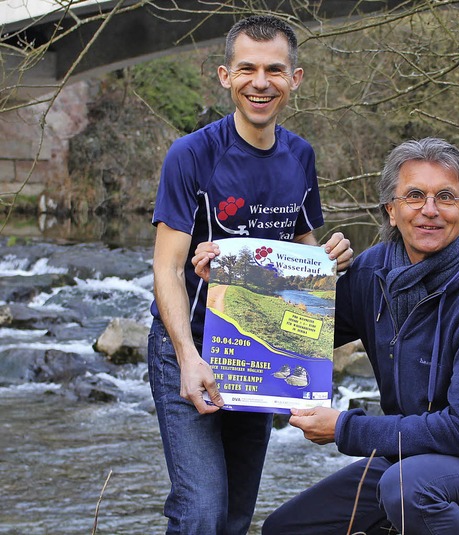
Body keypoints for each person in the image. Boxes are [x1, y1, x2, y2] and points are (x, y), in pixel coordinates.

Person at [261, 138, 459, 535]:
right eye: (414, 195)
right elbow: (297, 329)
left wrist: (344, 427)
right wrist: (230, 279)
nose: (429, 210)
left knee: (408, 489)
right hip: (410, 459)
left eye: (445, 197)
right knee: (287, 529)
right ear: (391, 211)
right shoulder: (371, 273)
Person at [148, 15, 352, 535]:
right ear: (225, 75)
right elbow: (167, 268)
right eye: (247, 69)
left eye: (274, 70)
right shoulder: (191, 156)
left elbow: (300, 251)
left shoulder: (301, 156)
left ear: (295, 79)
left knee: (236, 515)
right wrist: (188, 359)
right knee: (200, 510)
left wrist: (330, 259)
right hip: (189, 346)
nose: (260, 82)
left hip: (260, 347)